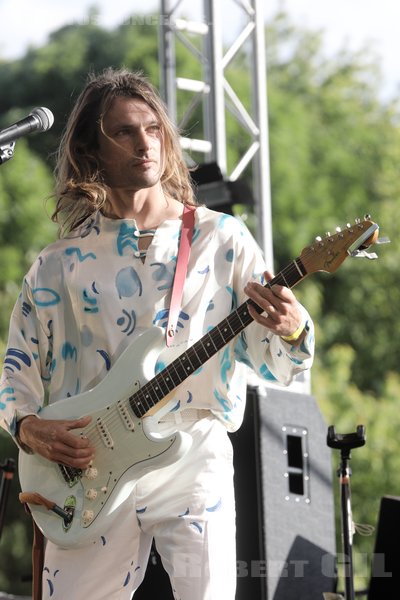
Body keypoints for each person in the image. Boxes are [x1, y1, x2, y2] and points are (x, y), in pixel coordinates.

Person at [0, 68, 314, 600]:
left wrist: (292, 329)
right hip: (87, 461)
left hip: (193, 451)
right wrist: (28, 427)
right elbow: (18, 363)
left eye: (154, 129)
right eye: (124, 131)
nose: (145, 143)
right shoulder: (59, 263)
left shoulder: (223, 239)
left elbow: (270, 362)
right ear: (90, 149)